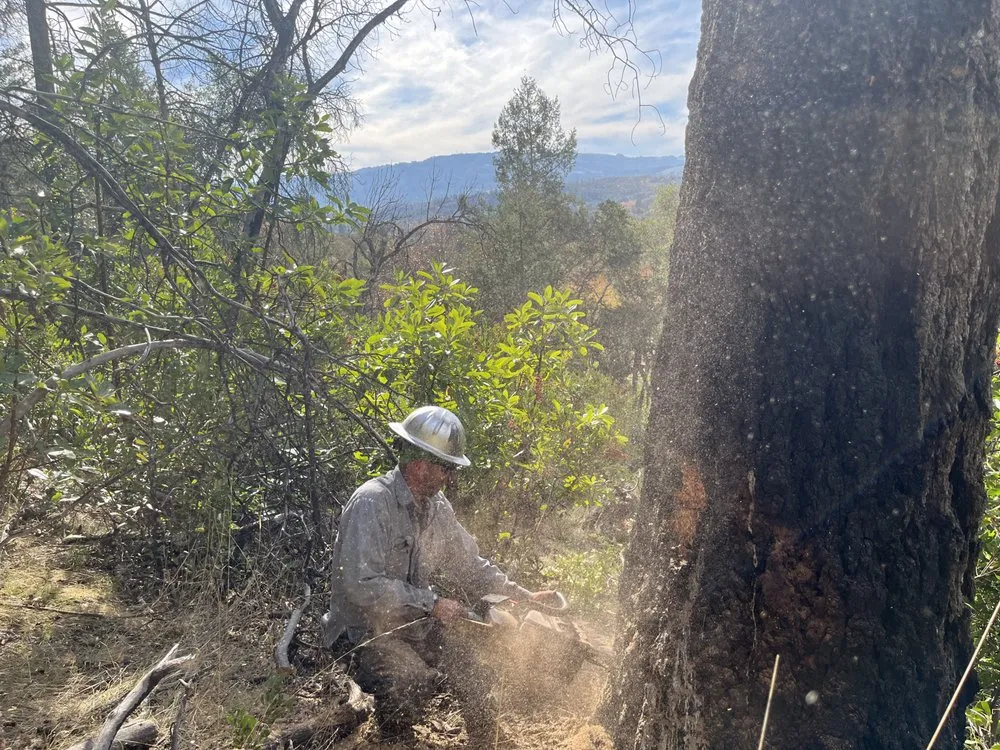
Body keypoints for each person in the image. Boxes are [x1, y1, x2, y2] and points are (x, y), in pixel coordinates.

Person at [322, 405, 554, 746]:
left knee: (474, 661)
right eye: (446, 468)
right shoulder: (372, 503)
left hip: (412, 624)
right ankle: (394, 740)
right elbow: (361, 585)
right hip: (362, 633)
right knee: (409, 679)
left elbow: (469, 564)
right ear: (420, 464)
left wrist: (521, 594)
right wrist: (431, 603)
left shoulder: (436, 507)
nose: (450, 478)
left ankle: (488, 740)